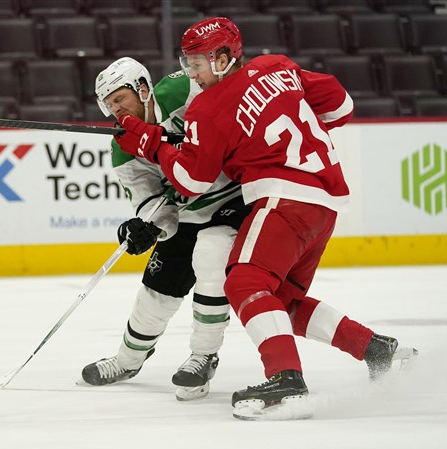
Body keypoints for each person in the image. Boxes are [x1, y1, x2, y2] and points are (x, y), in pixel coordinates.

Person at [113, 18, 417, 419]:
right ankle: (377, 350)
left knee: (243, 281)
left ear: (223, 58)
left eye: (197, 64)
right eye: (188, 64)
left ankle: (286, 381)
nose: (192, 74)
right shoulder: (278, 66)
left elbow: (192, 179)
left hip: (284, 198)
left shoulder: (208, 105)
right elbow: (341, 105)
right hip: (324, 202)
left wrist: (151, 143)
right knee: (279, 301)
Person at [80, 57, 251, 400]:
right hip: (189, 211)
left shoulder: (182, 89)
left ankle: (203, 356)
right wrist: (148, 227)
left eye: (120, 98)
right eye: (109, 104)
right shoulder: (122, 148)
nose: (116, 109)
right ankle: (128, 361)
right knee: (155, 293)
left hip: (236, 195)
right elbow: (155, 205)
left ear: (143, 89)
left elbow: (229, 106)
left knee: (211, 257)